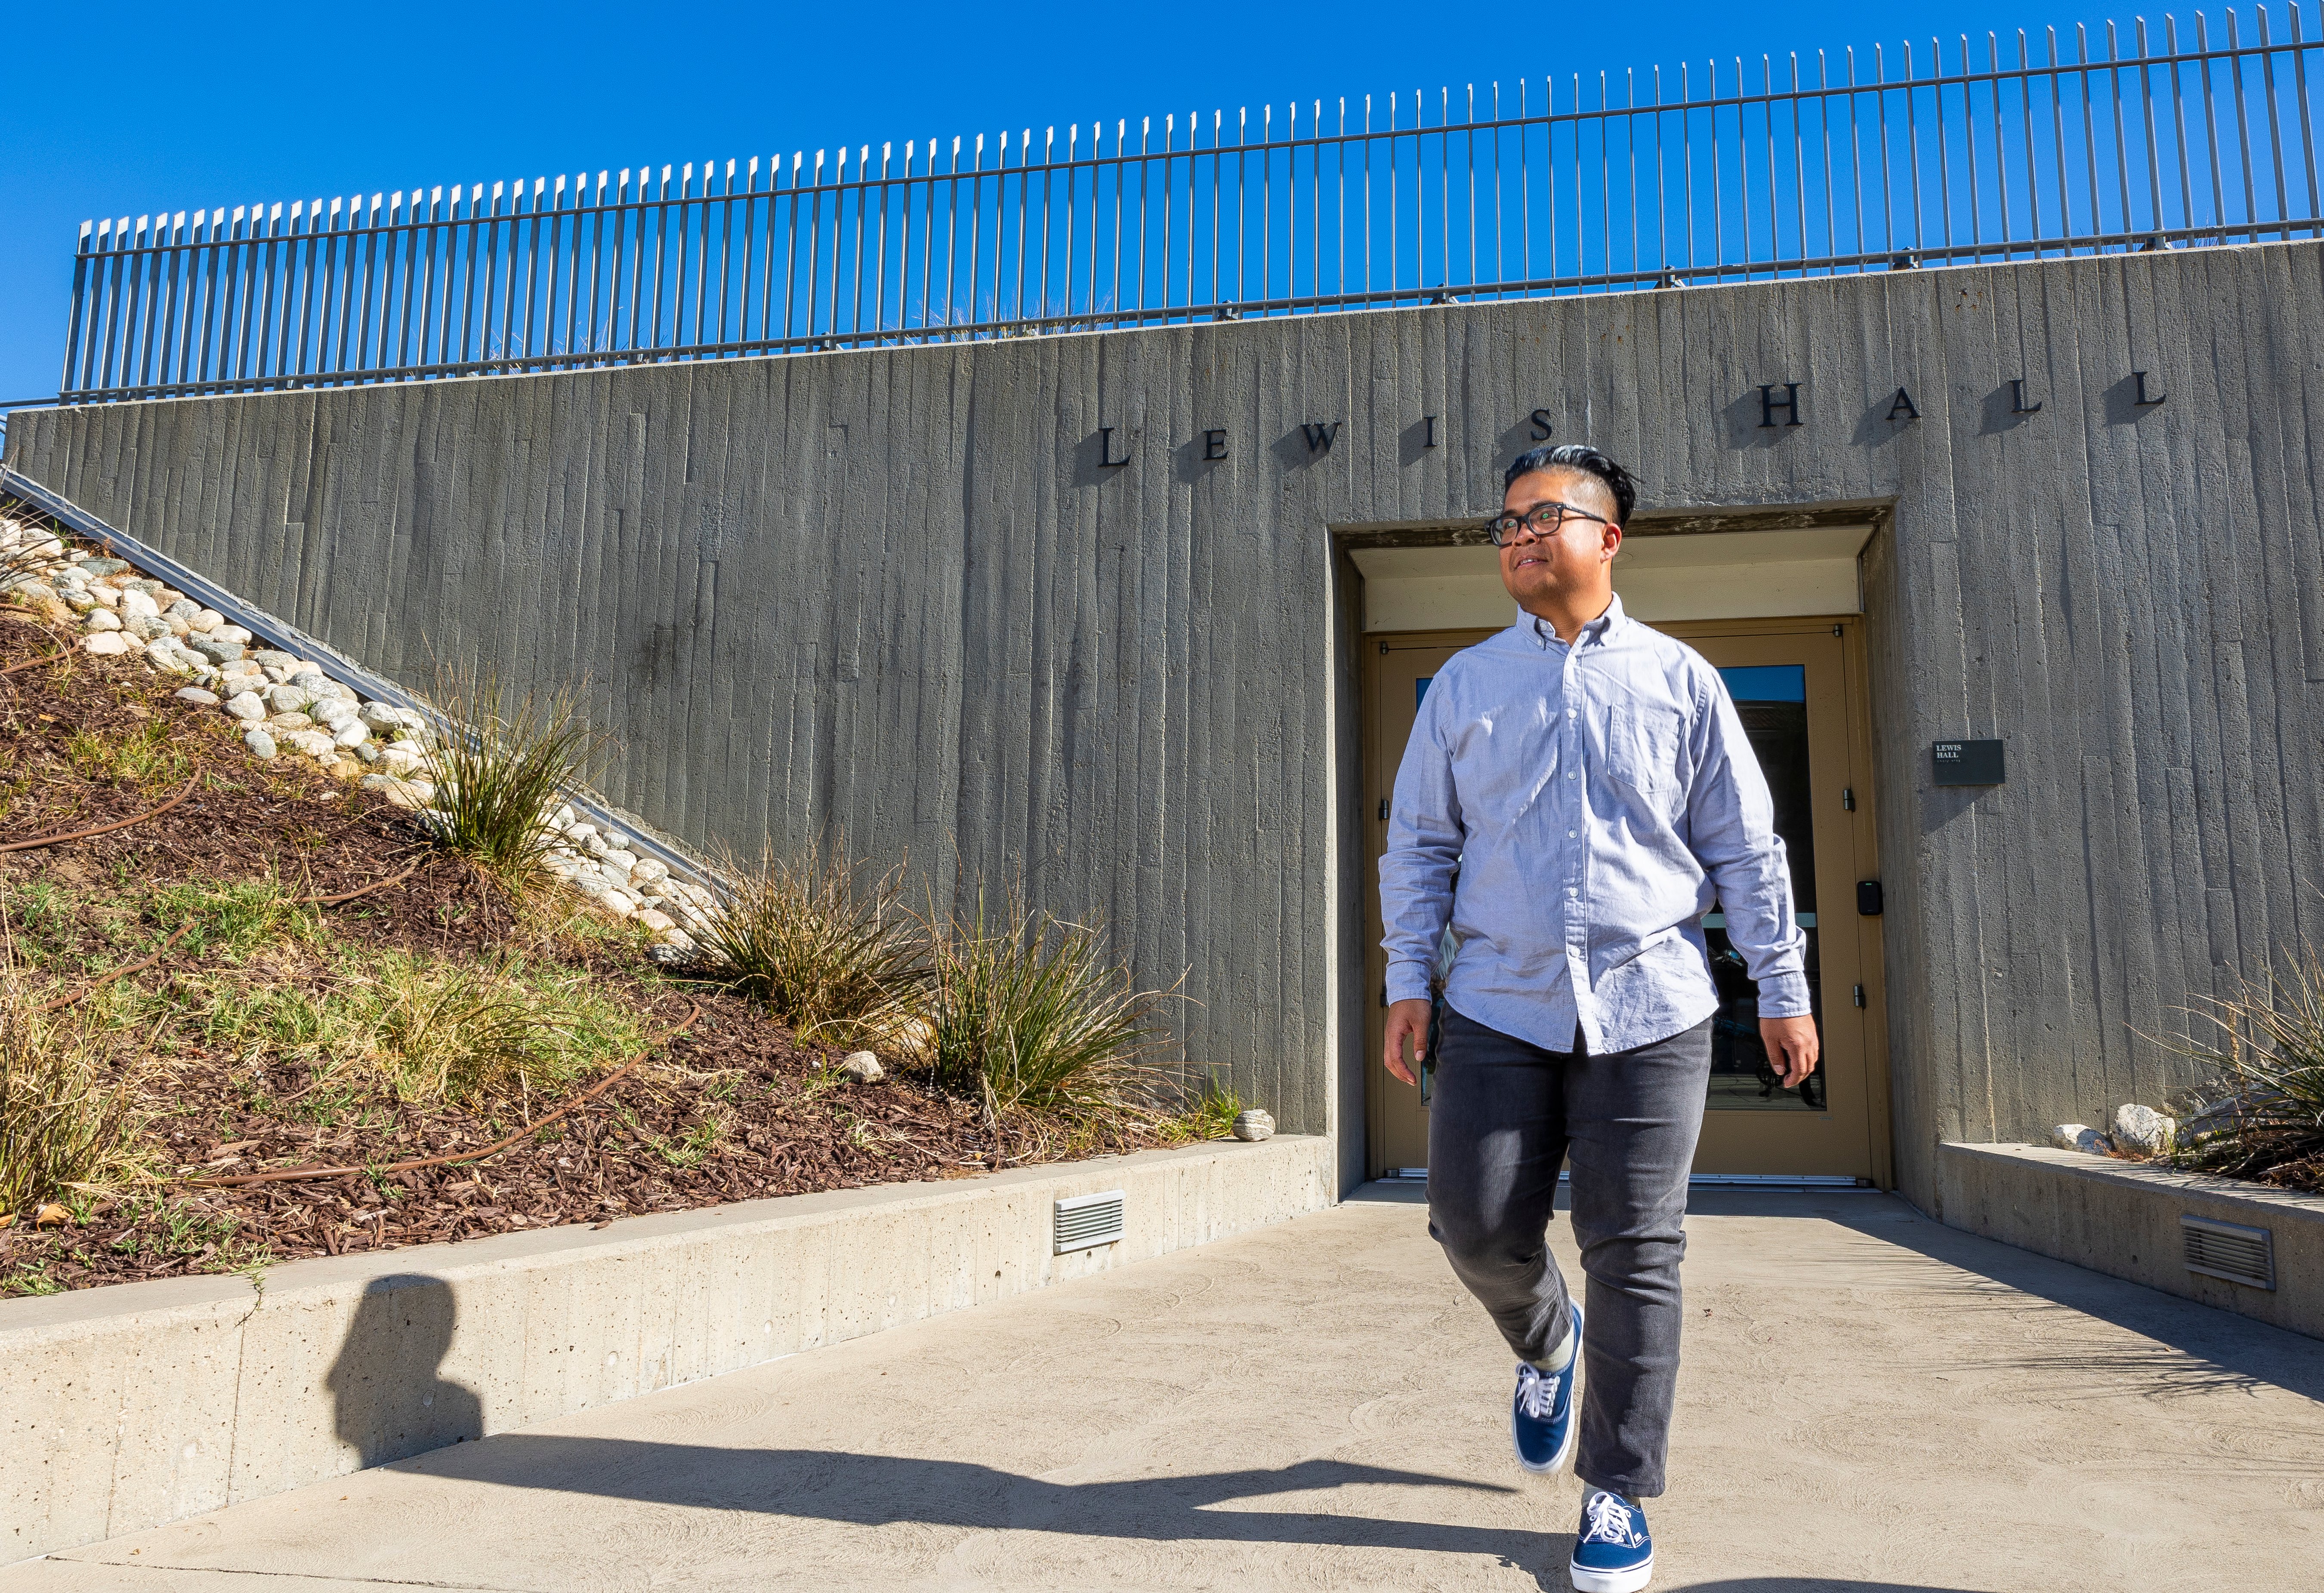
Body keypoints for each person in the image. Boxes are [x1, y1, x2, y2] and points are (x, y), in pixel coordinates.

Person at [1378, 443, 1818, 1593]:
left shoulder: (1679, 680)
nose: (1519, 536)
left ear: (1607, 538)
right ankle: (1544, 1341)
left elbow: (1742, 846)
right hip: (1497, 1002)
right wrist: (1406, 979)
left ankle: (1615, 1489)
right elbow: (1420, 843)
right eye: (1507, 522)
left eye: (1547, 517)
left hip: (1653, 1002)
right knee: (1471, 1228)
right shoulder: (1469, 685)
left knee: (1638, 1252)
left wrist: (1782, 984)